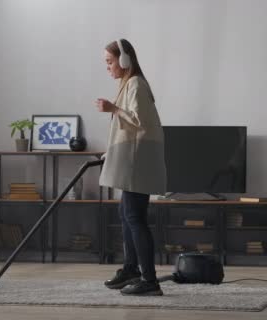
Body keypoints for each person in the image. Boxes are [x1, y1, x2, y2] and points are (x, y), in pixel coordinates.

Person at [95, 39, 167, 296]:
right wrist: (111, 151)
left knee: (135, 217)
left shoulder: (136, 84)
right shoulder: (127, 85)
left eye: (109, 61)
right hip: (132, 157)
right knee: (126, 214)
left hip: (139, 159)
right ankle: (131, 269)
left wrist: (113, 109)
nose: (108, 67)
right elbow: (127, 129)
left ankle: (150, 281)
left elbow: (140, 122)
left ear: (124, 60)